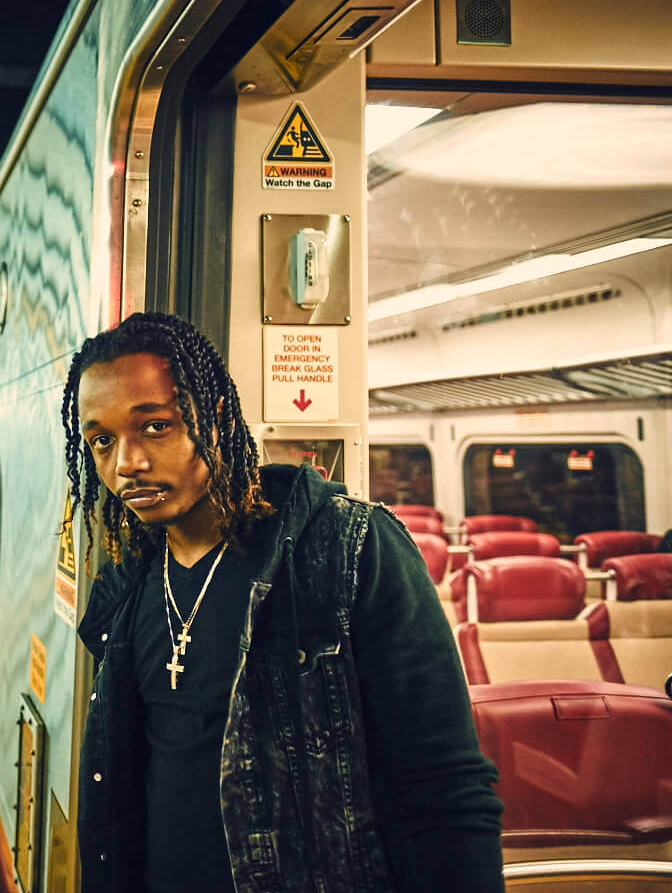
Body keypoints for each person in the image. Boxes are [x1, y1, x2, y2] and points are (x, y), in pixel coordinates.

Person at [64, 312, 503, 893]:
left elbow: (446, 786)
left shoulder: (347, 551)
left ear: (215, 418)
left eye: (155, 427)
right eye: (101, 440)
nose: (126, 464)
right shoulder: (128, 585)